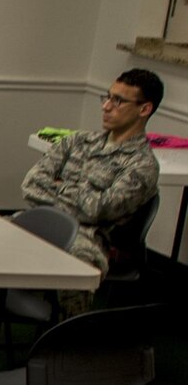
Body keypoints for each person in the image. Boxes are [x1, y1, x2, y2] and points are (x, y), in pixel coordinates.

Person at [21, 68, 162, 281]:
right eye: (107, 97)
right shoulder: (77, 141)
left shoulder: (142, 164)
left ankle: (64, 315)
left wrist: (58, 186)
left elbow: (99, 210)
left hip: (87, 239)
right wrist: (82, 197)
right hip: (40, 221)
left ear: (144, 109)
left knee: (76, 260)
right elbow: (30, 185)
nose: (106, 107)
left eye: (118, 101)